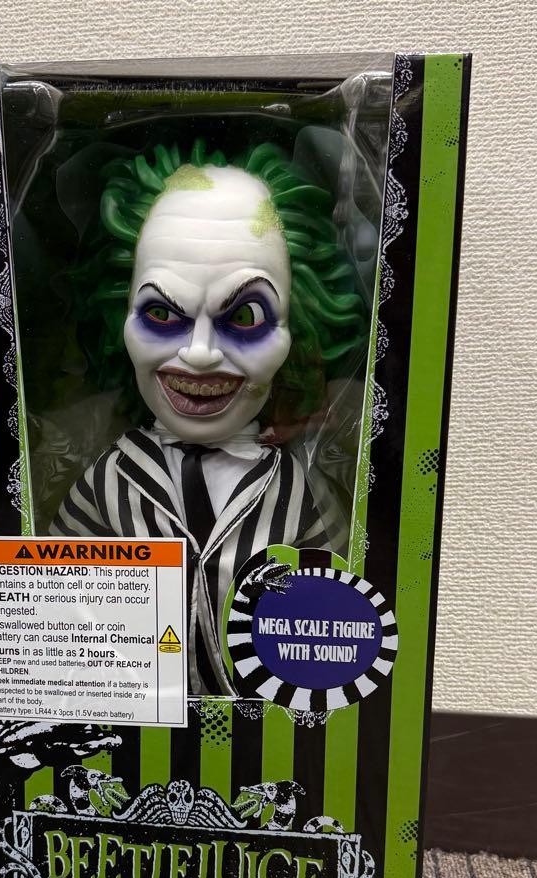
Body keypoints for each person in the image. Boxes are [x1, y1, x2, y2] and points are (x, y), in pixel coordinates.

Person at [51, 140, 366, 694]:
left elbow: (342, 618)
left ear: (301, 330)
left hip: (264, 720)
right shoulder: (107, 485)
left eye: (245, 317)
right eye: (160, 312)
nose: (199, 354)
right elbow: (50, 607)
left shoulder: (295, 492)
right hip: (133, 707)